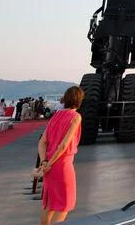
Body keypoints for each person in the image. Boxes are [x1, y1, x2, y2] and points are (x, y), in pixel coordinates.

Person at [37, 86, 83, 224]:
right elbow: (63, 145)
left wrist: (44, 162)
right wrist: (50, 164)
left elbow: (42, 142)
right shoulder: (76, 117)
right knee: (64, 205)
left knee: (49, 205)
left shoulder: (56, 115)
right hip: (62, 166)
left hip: (48, 165)